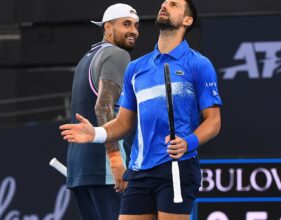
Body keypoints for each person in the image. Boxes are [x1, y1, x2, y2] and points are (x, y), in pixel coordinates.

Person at [60, 0, 221, 219]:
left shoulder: (199, 64)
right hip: (138, 171)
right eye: (164, 3)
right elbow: (124, 122)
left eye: (173, 4)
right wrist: (96, 133)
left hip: (175, 167)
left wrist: (188, 142)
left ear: (187, 20)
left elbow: (213, 121)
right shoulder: (135, 68)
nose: (164, 5)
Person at [65, 3, 139, 220]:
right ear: (108, 27)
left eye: (135, 25)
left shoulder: (86, 58)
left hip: (81, 171)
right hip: (107, 171)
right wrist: (115, 160)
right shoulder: (117, 55)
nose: (133, 31)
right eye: (126, 24)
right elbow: (103, 106)